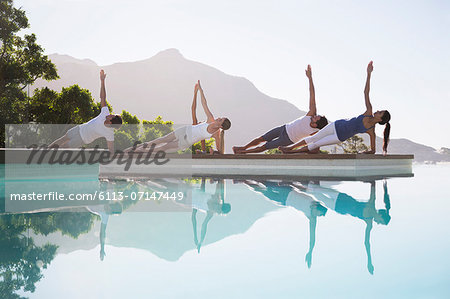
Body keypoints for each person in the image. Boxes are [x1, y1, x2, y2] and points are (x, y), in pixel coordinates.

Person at [280, 61, 391, 155]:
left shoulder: (371, 131)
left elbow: (373, 150)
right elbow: (366, 92)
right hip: (336, 125)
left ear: (381, 120)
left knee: (317, 144)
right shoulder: (368, 112)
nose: (377, 111)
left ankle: (292, 152)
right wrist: (369, 74)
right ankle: (290, 148)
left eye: (380, 112)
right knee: (314, 137)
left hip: (339, 136)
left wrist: (363, 153)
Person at [232, 65, 328, 154]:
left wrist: (294, 149)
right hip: (284, 128)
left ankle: (243, 152)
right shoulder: (311, 114)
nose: (315, 116)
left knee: (265, 146)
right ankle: (243, 148)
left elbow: (313, 143)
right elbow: (312, 94)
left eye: (317, 118)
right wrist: (310, 78)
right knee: (262, 138)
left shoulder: (315, 131)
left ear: (316, 124)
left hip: (288, 139)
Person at [306, 180, 391, 274]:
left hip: (339, 206)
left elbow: (367, 243)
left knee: (318, 195)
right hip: (342, 199)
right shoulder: (371, 209)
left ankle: (304, 184)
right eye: (380, 222)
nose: (378, 223)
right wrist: (376, 183)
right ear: (381, 216)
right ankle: (307, 183)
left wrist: (369, 261)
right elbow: (373, 190)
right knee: (320, 190)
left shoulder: (369, 220)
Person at [126, 81, 230, 153]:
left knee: (161, 148)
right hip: (184, 130)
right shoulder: (210, 119)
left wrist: (212, 151)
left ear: (221, 126)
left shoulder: (217, 134)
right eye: (220, 117)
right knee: (157, 141)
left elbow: (220, 150)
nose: (218, 118)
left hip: (186, 141)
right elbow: (204, 103)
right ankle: (126, 152)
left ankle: (130, 154)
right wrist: (199, 90)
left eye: (220, 120)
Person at [49, 70, 122, 155]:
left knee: (63, 148)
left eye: (111, 116)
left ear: (110, 122)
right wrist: (102, 81)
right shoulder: (105, 113)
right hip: (79, 128)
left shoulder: (109, 133)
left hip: (82, 139)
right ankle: (44, 151)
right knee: (63, 139)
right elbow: (103, 97)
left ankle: (49, 159)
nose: (110, 114)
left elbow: (111, 149)